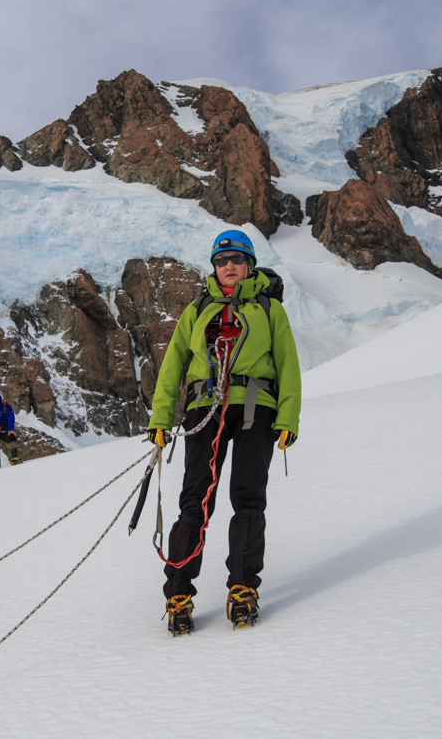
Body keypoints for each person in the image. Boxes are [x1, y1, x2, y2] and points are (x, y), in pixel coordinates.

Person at [148, 229, 301, 634]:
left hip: (257, 408)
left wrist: (288, 419)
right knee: (195, 501)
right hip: (205, 408)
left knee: (248, 498)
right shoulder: (197, 309)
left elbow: (287, 365)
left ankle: (243, 588)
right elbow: (173, 366)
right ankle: (178, 593)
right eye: (222, 260)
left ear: (249, 263)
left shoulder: (270, 309)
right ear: (213, 267)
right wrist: (160, 418)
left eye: (236, 258)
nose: (229, 265)